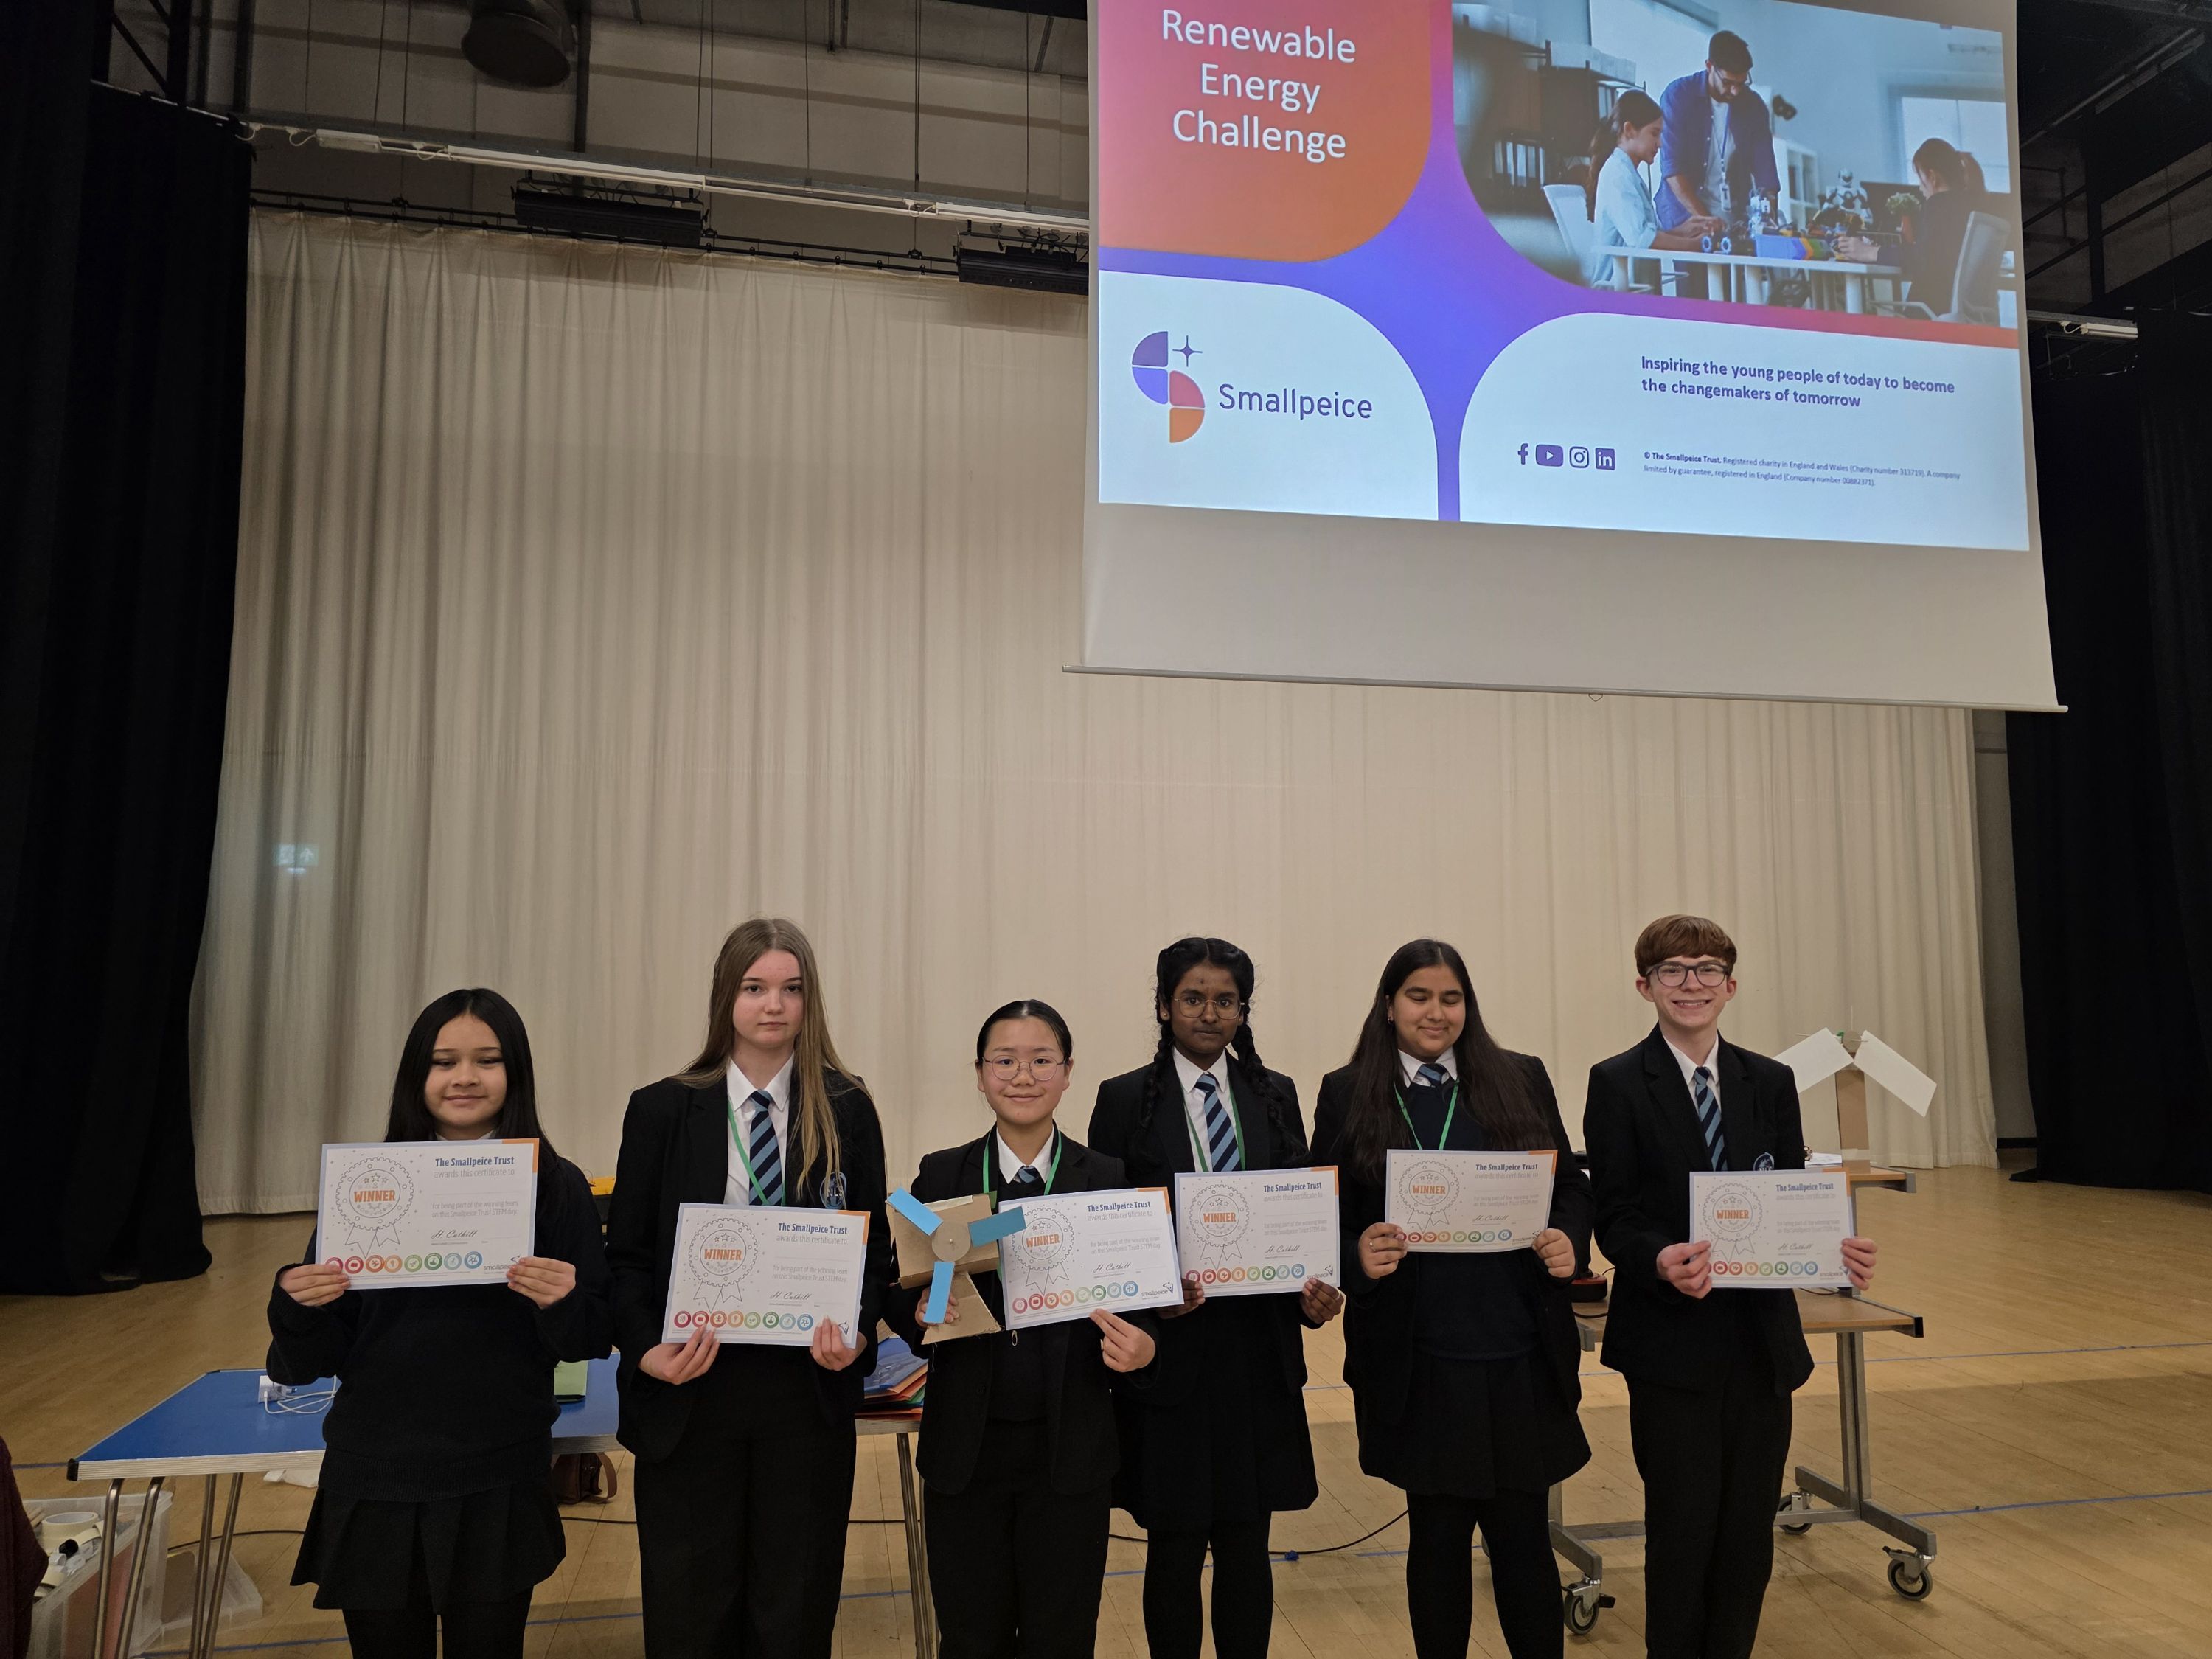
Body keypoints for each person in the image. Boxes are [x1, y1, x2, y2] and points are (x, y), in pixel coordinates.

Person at [266, 989, 613, 1659]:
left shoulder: (558, 1185)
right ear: (415, 1077)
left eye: (487, 1060)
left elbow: (589, 1338)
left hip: (498, 1471)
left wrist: (564, 1301)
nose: (464, 1078)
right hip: (374, 1473)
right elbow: (312, 1357)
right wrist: (295, 1303)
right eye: (443, 1061)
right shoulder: (367, 1182)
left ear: (516, 1073)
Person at [1581, 915, 1879, 1659]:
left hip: (1759, 1344)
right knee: (1682, 1530)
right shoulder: (1616, 1082)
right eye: (1674, 970)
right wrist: (1656, 1259)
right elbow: (1612, 1215)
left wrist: (1830, 1249)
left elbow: (1785, 1194)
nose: (1692, 984)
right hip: (1671, 1346)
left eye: (1707, 969)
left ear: (1732, 986)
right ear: (1645, 985)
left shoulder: (1769, 1080)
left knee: (1749, 1532)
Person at [606, 917, 890, 1659]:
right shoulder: (663, 1109)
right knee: (692, 1613)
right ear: (725, 997)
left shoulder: (848, 1107)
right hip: (692, 1392)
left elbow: (873, 1255)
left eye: (792, 989)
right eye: (756, 987)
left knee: (791, 1614)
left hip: (803, 1395)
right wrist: (645, 1352)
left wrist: (856, 1337)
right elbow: (629, 1259)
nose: (775, 1005)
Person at [1310, 941, 1591, 1659]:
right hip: (1419, 1354)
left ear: (1468, 1006)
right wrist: (1355, 1254)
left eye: (1451, 998)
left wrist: (1566, 1237)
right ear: (1389, 1006)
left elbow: (1569, 1184)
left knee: (1523, 1537)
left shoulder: (1520, 1078)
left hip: (1518, 1347)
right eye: (1419, 997)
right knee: (1436, 1538)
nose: (1436, 1013)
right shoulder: (1349, 1091)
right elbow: (1325, 1214)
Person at [1087, 937, 1345, 1659]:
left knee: (1246, 1541)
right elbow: (1109, 1226)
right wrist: (1157, 1299)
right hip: (1169, 1358)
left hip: (1257, 1355)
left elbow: (1298, 1215)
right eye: (1193, 998)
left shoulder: (1275, 1093)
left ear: (1243, 1009)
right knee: (1173, 1545)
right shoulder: (1121, 1097)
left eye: (1225, 1000)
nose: (1209, 1012)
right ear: (1166, 1006)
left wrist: (1312, 1297)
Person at [886, 999, 1161, 1659]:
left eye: (1042, 1060)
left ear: (1068, 1074)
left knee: (1061, 1636)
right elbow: (903, 1292)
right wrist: (917, 1314)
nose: (1023, 1075)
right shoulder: (942, 1174)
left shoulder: (1107, 1178)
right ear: (979, 1075)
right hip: (966, 1452)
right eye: (1004, 1061)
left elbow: (1143, 1302)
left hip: (1072, 1451)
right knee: (972, 1636)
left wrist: (1145, 1347)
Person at [1585, 88, 1725, 289]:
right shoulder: (1617, 175)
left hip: (1634, 288)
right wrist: (1696, 245)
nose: (1660, 144)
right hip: (1616, 294)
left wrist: (1685, 230)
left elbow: (1647, 234)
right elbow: (1643, 240)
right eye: (1654, 133)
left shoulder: (1626, 172)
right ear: (1629, 130)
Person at [1837, 138, 1988, 312]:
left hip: (1929, 314)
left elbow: (1921, 259)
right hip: (1956, 312)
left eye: (1919, 177)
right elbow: (1933, 255)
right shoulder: (1968, 206)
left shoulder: (1939, 204)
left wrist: (1869, 252)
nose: (1920, 187)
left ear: (1932, 177)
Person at [1656, 31, 1779, 234]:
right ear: (1709, 66)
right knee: (1694, 266)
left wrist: (1769, 223)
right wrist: (1708, 222)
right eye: (1728, 83)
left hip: (1734, 215)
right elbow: (1673, 170)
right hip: (1684, 215)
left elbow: (1767, 174)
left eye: (1741, 83)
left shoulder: (1753, 106)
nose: (1735, 92)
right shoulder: (1678, 96)